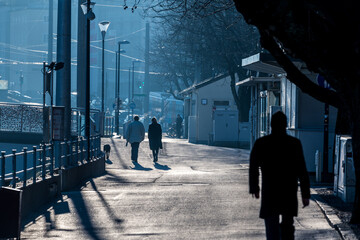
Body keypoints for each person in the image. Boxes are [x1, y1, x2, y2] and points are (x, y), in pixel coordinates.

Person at [249, 111, 310, 240]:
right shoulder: (294, 144)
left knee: (271, 227)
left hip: (270, 190)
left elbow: (253, 166)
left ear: (271, 125)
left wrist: (255, 187)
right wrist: (305, 194)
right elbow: (302, 170)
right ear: (285, 125)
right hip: (288, 190)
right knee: (288, 226)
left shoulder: (262, 143)